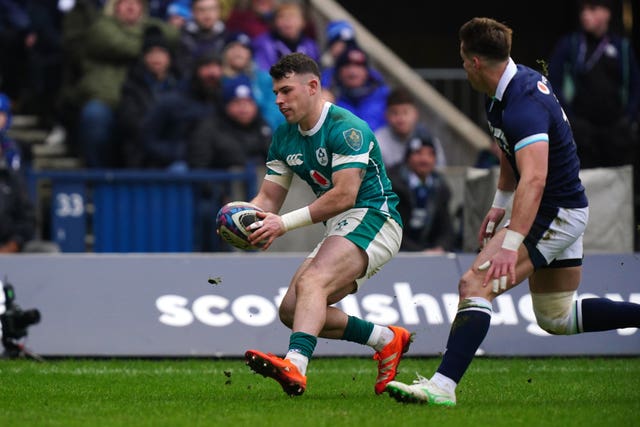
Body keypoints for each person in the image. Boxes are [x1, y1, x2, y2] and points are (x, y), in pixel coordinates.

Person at [385, 17, 640, 407]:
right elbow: (509, 152)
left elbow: (535, 178)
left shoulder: (523, 101)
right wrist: (499, 204)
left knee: (474, 284)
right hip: (561, 209)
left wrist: (511, 243)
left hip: (553, 211)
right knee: (556, 317)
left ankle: (442, 386)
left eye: (461, 57)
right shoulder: (501, 87)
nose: (461, 64)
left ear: (473, 62)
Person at [243, 53, 412, 397]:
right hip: (341, 224)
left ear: (313, 86)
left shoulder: (347, 129)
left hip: (375, 216)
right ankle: (386, 339)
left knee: (314, 282)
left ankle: (296, 364)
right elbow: (268, 199)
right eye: (276, 92)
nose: (278, 100)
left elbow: (345, 196)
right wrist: (241, 215)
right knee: (292, 310)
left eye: (286, 91)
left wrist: (282, 225)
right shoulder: (283, 137)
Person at [548, 0, 639, 171]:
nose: (585, 14)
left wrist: (628, 119)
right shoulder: (569, 45)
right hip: (581, 132)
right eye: (582, 9)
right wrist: (570, 120)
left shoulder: (622, 47)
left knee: (618, 184)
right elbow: (553, 84)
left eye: (592, 9)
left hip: (616, 132)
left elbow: (635, 86)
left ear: (607, 13)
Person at [188, 74, 271, 251]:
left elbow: (274, 161)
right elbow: (198, 167)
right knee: (207, 212)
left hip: (259, 198)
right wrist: (221, 194)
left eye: (248, 102)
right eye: (237, 103)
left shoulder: (262, 127)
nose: (243, 108)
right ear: (226, 105)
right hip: (219, 197)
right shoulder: (209, 128)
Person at [139, 49, 223, 169]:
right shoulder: (171, 101)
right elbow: (146, 139)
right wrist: (180, 152)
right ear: (196, 70)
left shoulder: (222, 102)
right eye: (207, 66)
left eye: (217, 67)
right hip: (178, 165)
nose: (212, 72)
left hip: (211, 163)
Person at [116, 25, 183, 168]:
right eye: (151, 53)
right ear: (144, 57)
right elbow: (130, 122)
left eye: (161, 52)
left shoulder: (181, 86)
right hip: (142, 152)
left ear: (169, 57)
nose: (156, 57)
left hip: (174, 150)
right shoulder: (131, 86)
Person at [387, 136, 455, 253]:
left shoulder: (440, 187)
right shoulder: (391, 185)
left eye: (430, 154)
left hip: (430, 252)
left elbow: (446, 228)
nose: (424, 159)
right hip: (397, 251)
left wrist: (440, 247)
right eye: (418, 153)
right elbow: (390, 229)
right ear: (407, 157)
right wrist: (419, 251)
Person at [220, 31, 283, 131]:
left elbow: (274, 110)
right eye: (232, 47)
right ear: (224, 53)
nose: (238, 52)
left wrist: (265, 131)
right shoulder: (217, 80)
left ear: (250, 54)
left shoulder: (265, 80)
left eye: (244, 48)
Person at [375, 87, 447, 169]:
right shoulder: (377, 141)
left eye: (405, 112)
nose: (401, 119)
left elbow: (440, 173)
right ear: (386, 115)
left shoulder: (429, 140)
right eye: (395, 113)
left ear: (415, 114)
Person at [324, 45, 389, 132]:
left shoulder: (385, 95)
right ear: (338, 71)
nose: (352, 71)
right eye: (346, 65)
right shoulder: (326, 98)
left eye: (358, 65)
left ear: (367, 71)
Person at [251, 1, 320, 72]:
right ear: (274, 22)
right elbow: (264, 75)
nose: (287, 20)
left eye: (292, 16)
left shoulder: (310, 46)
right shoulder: (263, 44)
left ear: (303, 22)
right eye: (281, 16)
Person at [175, 0, 227, 77]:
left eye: (211, 9)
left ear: (219, 11)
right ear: (193, 12)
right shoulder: (182, 37)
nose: (207, 14)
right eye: (201, 10)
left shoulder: (227, 37)